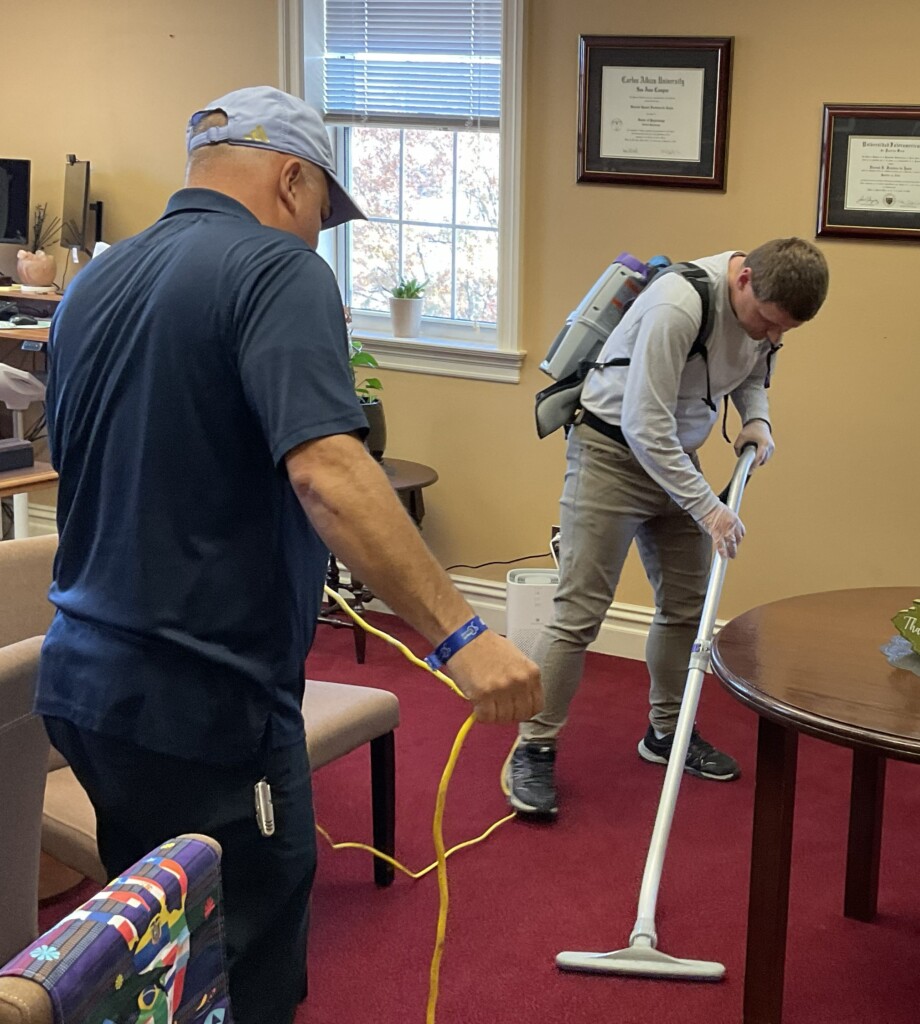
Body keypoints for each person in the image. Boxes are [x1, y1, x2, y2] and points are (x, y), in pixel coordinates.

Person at [36, 86, 542, 1024]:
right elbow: (332, 473)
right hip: (205, 703)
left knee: (152, 956)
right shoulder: (279, 270)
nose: (318, 235)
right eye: (320, 212)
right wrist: (463, 637)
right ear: (291, 177)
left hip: (83, 689)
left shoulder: (92, 285)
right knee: (245, 961)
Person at [507, 238, 829, 818]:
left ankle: (666, 734)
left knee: (686, 607)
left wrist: (756, 420)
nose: (772, 336)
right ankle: (533, 748)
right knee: (579, 613)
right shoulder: (677, 305)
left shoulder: (762, 320)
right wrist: (708, 507)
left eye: (785, 331)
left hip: (676, 460)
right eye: (768, 321)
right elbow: (642, 422)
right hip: (611, 453)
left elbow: (752, 366)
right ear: (745, 279)